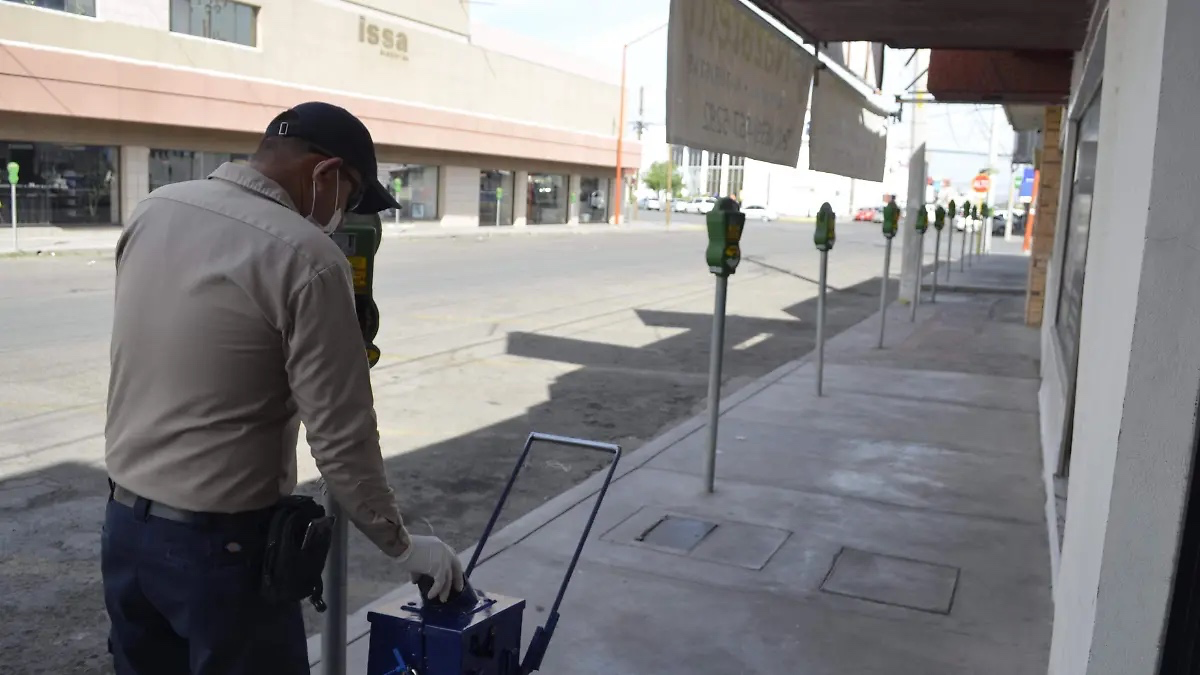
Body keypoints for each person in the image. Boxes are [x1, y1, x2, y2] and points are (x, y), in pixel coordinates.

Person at [102, 102, 464, 675]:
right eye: (348, 198)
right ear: (325, 176)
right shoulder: (309, 257)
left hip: (125, 532)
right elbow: (342, 439)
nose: (342, 218)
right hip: (222, 556)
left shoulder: (153, 211)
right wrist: (402, 544)